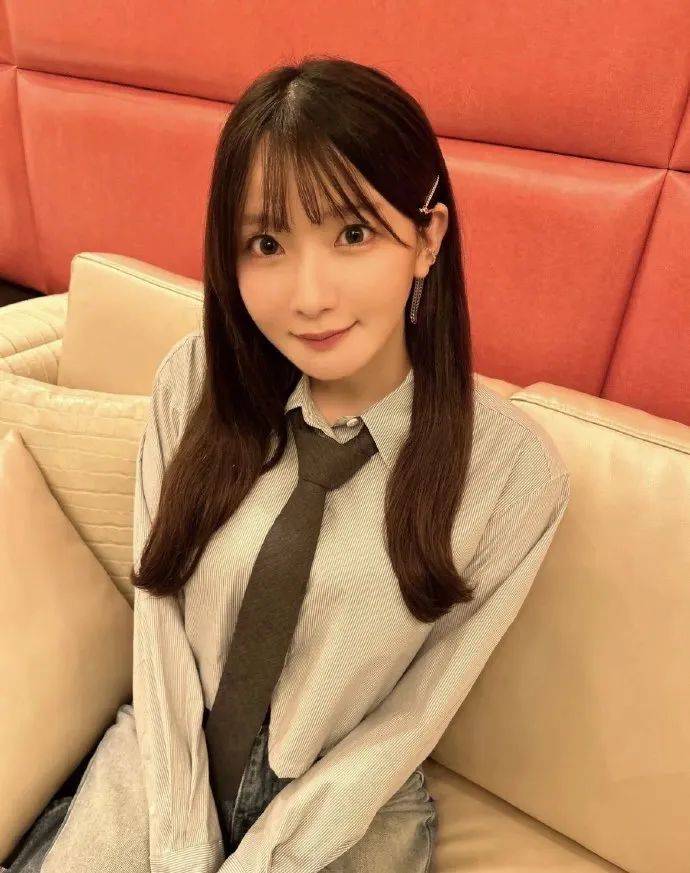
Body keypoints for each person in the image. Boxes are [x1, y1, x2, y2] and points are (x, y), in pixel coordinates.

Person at [4, 56, 570, 873]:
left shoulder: (510, 474)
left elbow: (415, 713)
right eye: (267, 243)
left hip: (352, 808)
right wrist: (180, 842)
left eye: (352, 234)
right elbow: (159, 622)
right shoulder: (194, 382)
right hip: (165, 759)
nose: (309, 295)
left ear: (427, 237)